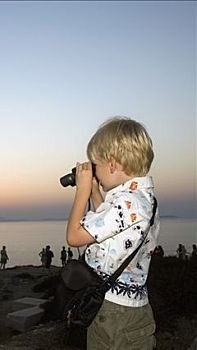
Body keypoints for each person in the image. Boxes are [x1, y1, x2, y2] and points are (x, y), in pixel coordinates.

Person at [66, 117, 159, 349]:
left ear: (112, 164)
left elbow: (74, 236)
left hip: (114, 312)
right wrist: (95, 192)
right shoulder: (142, 200)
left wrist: (82, 191)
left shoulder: (127, 202)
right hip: (129, 307)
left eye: (95, 165)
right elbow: (108, 225)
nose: (94, 171)